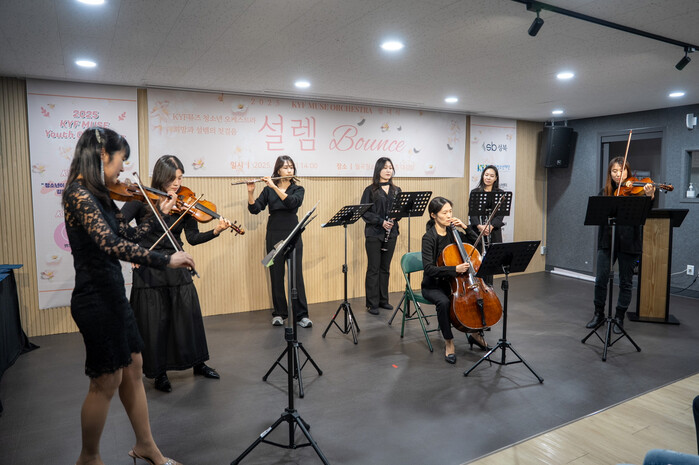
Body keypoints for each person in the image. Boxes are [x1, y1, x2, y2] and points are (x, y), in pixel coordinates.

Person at [62, 128, 194, 465]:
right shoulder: (78, 194)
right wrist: (166, 259)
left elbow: (129, 235)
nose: (123, 168)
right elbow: (111, 244)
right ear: (102, 154)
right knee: (106, 382)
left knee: (134, 368)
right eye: (121, 159)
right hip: (94, 299)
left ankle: (146, 446)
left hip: (113, 295)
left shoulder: (101, 194)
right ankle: (88, 458)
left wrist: (160, 214)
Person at [121, 155, 229, 393]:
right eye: (173, 178)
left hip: (177, 262)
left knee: (188, 316)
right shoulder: (141, 198)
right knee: (155, 322)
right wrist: (135, 253)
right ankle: (158, 372)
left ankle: (198, 363)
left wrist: (216, 231)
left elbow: (193, 238)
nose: (177, 183)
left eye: (180, 178)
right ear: (161, 176)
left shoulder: (183, 202)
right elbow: (120, 229)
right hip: (150, 266)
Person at [586, 156, 655, 334]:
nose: (618, 174)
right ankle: (598, 314)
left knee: (626, 282)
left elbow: (645, 214)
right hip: (607, 241)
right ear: (610, 173)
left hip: (630, 242)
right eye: (614, 171)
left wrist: (649, 197)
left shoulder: (637, 192)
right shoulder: (605, 192)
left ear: (628, 172)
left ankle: (619, 318)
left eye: (622, 170)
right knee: (600, 280)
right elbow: (598, 215)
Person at [421, 196, 488, 364]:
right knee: (444, 302)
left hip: (456, 283)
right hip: (434, 285)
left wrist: (465, 227)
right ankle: (449, 342)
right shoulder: (429, 238)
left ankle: (475, 334)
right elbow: (428, 268)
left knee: (476, 297)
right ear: (433, 215)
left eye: (450, 211)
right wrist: (454, 269)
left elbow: (476, 246)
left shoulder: (453, 233)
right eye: (444, 212)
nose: (449, 215)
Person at [247, 155, 312, 328]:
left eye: (291, 167)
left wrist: (274, 186)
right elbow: (255, 209)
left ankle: (301, 315)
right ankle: (279, 313)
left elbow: (291, 203)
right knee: (276, 274)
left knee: (296, 275)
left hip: (293, 233)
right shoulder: (268, 190)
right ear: (278, 170)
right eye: (285, 167)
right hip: (273, 234)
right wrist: (251, 192)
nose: (289, 170)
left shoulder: (298, 189)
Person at [360, 157, 401, 315]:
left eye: (390, 167)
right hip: (374, 234)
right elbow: (365, 212)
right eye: (385, 168)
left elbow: (400, 211)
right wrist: (381, 221)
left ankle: (383, 300)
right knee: (373, 268)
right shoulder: (370, 190)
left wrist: (397, 216)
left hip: (391, 233)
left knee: (385, 268)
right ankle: (372, 303)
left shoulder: (397, 190)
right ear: (378, 170)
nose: (388, 170)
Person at [468, 165, 505, 286]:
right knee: (478, 261)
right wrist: (480, 226)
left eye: (491, 176)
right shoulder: (475, 192)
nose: (488, 178)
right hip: (478, 232)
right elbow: (472, 213)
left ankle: (489, 288)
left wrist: (491, 226)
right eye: (486, 175)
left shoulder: (500, 194)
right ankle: (478, 288)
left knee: (491, 263)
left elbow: (500, 215)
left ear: (496, 178)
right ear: (482, 176)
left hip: (493, 232)